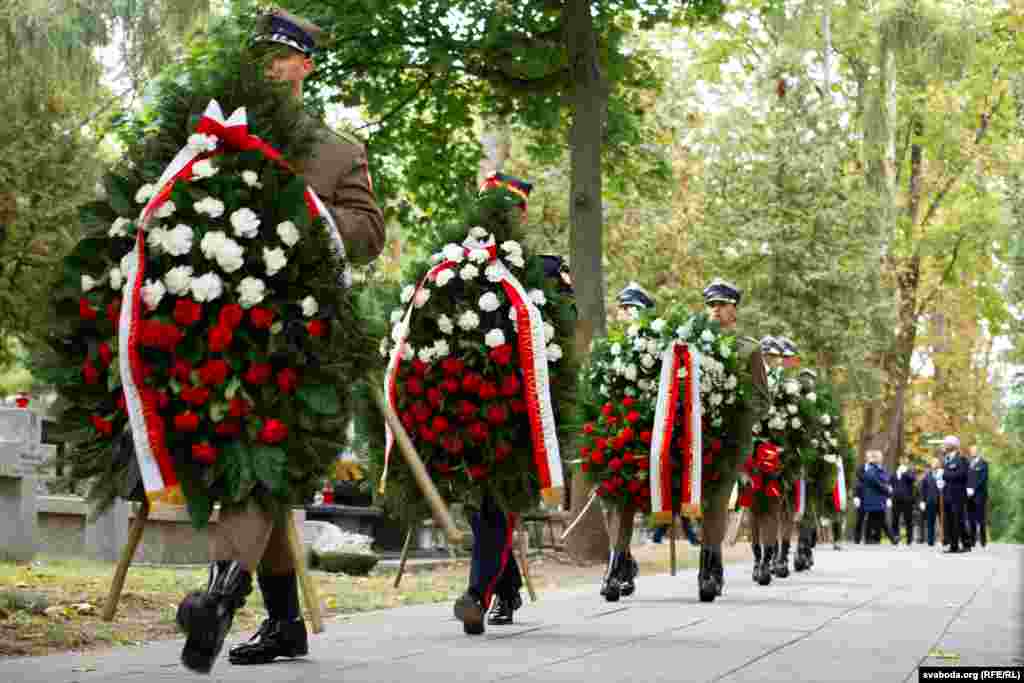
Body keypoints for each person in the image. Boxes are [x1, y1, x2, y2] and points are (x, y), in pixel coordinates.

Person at [176, 10, 387, 673]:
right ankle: (286, 623)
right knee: (251, 470)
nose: (271, 64)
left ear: (305, 67)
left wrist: (308, 211)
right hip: (225, 339)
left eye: (283, 56)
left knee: (261, 464)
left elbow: (369, 232)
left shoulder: (335, 151)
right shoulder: (219, 140)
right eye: (262, 54)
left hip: (303, 343)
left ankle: (217, 597)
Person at [698, 279, 771, 601]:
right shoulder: (693, 345)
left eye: (721, 304)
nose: (715, 310)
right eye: (710, 305)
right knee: (698, 501)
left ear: (734, 309)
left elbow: (762, 400)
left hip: (729, 439)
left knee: (715, 501)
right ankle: (709, 563)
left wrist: (739, 418)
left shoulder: (748, 348)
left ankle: (709, 569)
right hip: (695, 436)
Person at [598, 281, 655, 602]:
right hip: (610, 432)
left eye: (632, 308)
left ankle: (615, 566)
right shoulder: (609, 346)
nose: (626, 313)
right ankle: (623, 559)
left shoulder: (654, 346)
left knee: (626, 504)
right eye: (623, 308)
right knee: (611, 504)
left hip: (640, 435)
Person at [747, 336, 784, 585]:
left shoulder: (784, 383)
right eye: (766, 354)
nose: (769, 359)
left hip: (774, 448)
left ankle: (767, 560)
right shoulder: (750, 377)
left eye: (773, 355)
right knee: (753, 508)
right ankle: (757, 558)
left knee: (770, 507)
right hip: (750, 447)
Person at [939, 435, 969, 553]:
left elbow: (962, 474)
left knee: (959, 519)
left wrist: (945, 475)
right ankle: (953, 545)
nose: (944, 446)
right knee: (949, 520)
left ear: (953, 446)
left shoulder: (962, 459)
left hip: (958, 494)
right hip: (947, 494)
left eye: (946, 444)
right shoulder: (946, 459)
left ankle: (966, 544)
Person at [862, 450, 897, 545]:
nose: (881, 458)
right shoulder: (871, 469)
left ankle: (869, 538)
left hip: (879, 499)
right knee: (880, 519)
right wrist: (887, 489)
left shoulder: (879, 469)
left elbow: (885, 479)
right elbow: (876, 482)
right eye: (879, 457)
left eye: (881, 456)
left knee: (873, 519)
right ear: (875, 458)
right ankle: (892, 538)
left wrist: (888, 487)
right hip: (874, 499)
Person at [966, 445, 989, 549]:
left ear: (978, 452)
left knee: (981, 518)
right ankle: (972, 540)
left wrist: (973, 489)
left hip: (979, 495)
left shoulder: (983, 463)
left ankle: (983, 540)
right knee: (971, 518)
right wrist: (967, 489)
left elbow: (983, 479)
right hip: (969, 495)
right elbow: (966, 478)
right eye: (971, 451)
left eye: (974, 450)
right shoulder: (968, 463)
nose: (972, 452)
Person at [890, 459, 917, 545]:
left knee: (908, 520)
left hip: (907, 500)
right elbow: (891, 484)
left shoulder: (909, 472)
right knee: (895, 519)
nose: (902, 463)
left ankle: (909, 539)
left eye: (904, 462)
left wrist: (905, 472)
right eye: (901, 462)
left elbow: (913, 479)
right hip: (896, 500)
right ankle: (895, 538)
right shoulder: (894, 473)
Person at [919, 456, 941, 546]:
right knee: (930, 522)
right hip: (930, 501)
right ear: (931, 465)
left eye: (936, 463)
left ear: (939, 464)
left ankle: (944, 539)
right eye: (933, 463)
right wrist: (922, 501)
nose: (935, 464)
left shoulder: (942, 474)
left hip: (941, 501)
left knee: (943, 521)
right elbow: (923, 489)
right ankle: (930, 541)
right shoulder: (927, 476)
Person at [852, 458, 868, 543]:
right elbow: (857, 482)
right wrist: (856, 496)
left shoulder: (874, 468)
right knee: (860, 519)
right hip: (861, 496)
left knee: (871, 519)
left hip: (870, 497)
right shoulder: (860, 468)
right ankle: (857, 538)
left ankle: (868, 538)